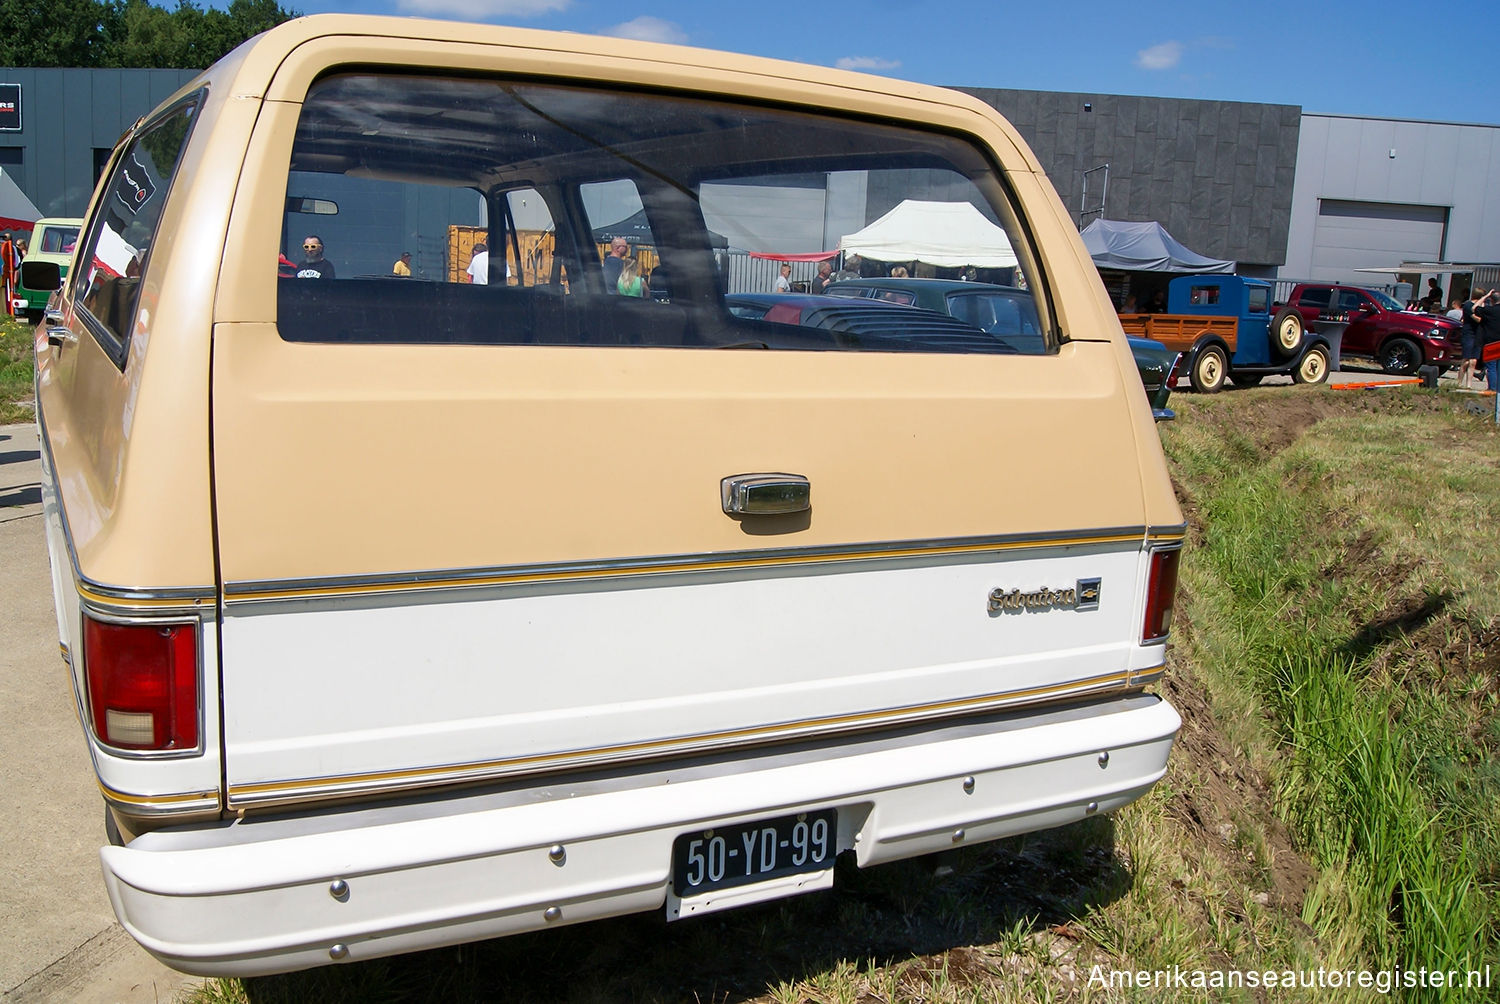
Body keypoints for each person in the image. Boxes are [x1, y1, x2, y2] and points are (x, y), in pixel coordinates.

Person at [1474, 289, 1500, 390]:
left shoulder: (1489, 310)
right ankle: (1498, 390)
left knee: (1491, 367)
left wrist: (1485, 296)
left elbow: (1474, 308)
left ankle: (1492, 389)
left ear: (1492, 300)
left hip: (1491, 343)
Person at [1458, 293, 1481, 390]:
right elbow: (1477, 319)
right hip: (1468, 334)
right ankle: (1459, 383)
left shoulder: (1482, 307)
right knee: (1466, 360)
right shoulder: (1468, 306)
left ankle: (1469, 384)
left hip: (1478, 335)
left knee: (1473, 361)